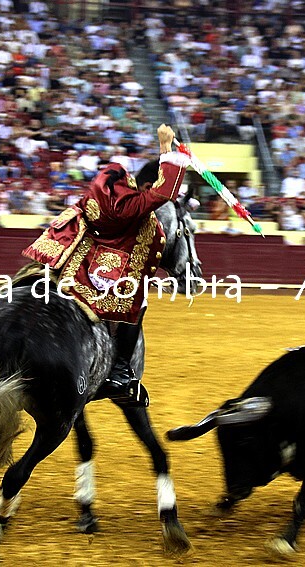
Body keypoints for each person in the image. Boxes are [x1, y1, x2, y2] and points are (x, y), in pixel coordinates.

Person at [22, 124, 189, 407]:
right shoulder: (133, 203)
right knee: (136, 297)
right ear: (146, 187)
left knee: (39, 278)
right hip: (101, 264)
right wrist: (166, 148)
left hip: (75, 249)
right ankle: (120, 369)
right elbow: (163, 193)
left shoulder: (109, 184)